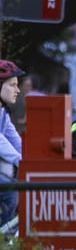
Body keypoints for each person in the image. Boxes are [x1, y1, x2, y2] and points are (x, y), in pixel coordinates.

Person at [0, 60, 27, 228]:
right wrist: (21, 160)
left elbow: (15, 140)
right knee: (10, 192)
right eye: (12, 85)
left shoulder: (3, 112)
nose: (17, 90)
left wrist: (33, 160)